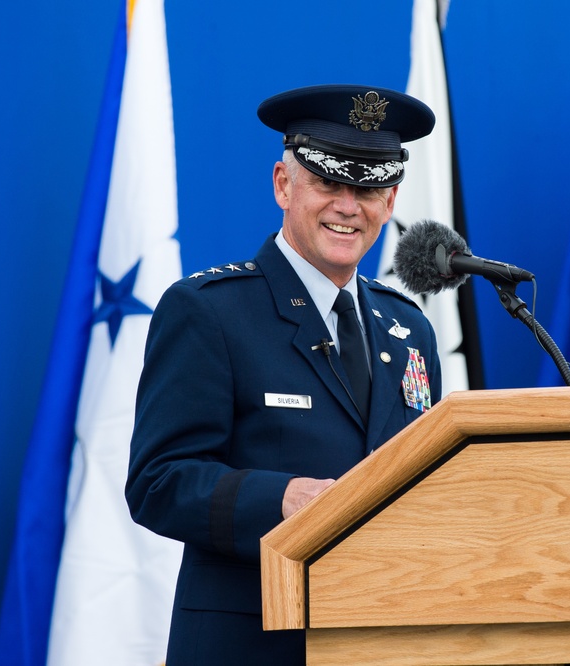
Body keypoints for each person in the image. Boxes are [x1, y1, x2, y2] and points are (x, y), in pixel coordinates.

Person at [125, 84, 443, 665]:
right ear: (283, 184)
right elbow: (158, 483)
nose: (349, 206)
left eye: (369, 188)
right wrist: (283, 499)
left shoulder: (408, 329)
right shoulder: (209, 310)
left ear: (391, 201)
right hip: (252, 641)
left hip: (382, 638)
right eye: (328, 182)